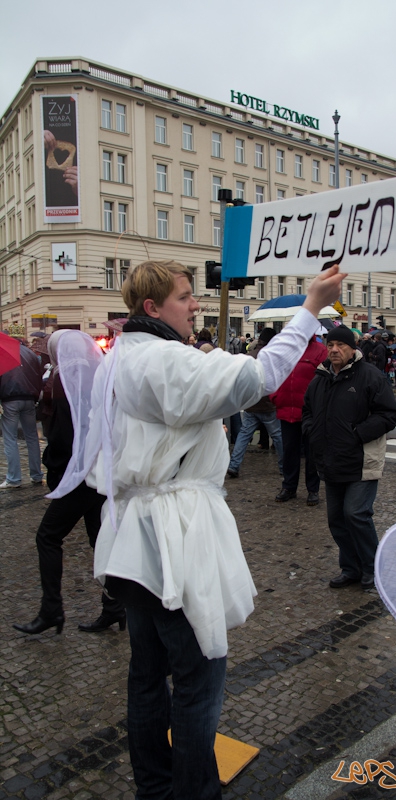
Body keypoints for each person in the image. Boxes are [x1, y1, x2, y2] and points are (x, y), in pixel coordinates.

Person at [83, 259, 345, 800]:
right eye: (185, 297)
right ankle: (195, 792)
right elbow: (257, 377)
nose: (195, 305)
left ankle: (155, 787)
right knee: (199, 678)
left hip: (135, 542)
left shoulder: (128, 355)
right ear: (152, 308)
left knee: (147, 675)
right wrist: (310, 307)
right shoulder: (163, 358)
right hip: (172, 540)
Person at [13, 330, 126, 636]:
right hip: (97, 472)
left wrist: (56, 467)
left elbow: (64, 438)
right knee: (97, 539)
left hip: (77, 475)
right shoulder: (95, 376)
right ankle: (114, 607)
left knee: (48, 537)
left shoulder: (65, 382)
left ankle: (52, 609)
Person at [302, 325, 396, 591]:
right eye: (330, 344)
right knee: (337, 519)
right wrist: (311, 432)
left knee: (356, 513)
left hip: (362, 459)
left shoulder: (370, 376)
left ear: (352, 348)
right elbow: (307, 410)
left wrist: (357, 434)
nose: (334, 350)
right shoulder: (319, 378)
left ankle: (372, 568)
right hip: (330, 459)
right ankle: (351, 568)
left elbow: (388, 414)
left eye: (340, 345)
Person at [270, 334, 327, 506]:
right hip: (287, 409)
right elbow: (275, 373)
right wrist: (275, 397)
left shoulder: (320, 351)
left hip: (310, 412)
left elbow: (325, 381)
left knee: (312, 453)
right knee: (289, 451)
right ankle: (289, 486)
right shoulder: (286, 350)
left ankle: (313, 489)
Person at [226, 328, 283, 478]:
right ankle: (285, 467)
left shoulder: (248, 357)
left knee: (244, 435)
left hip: (251, 403)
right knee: (278, 436)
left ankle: (234, 465)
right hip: (268, 404)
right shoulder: (273, 357)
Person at [0, 342, 44, 488]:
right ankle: (37, 474)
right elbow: (38, 376)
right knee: (31, 437)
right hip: (29, 398)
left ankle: (14, 478)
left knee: (10, 438)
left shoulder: (3, 354)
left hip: (10, 398)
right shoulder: (29, 353)